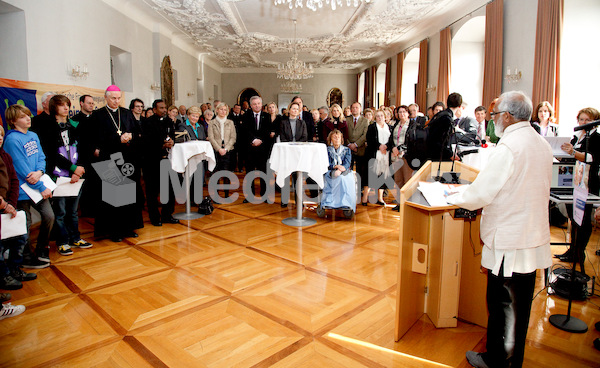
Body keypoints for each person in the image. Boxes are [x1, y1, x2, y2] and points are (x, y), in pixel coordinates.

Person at [446, 91, 553, 368]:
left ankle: (495, 360)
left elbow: (482, 193)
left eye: (495, 115)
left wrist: (451, 196)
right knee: (520, 308)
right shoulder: (540, 142)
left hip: (509, 239)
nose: (493, 121)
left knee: (501, 305)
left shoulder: (509, 146)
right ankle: (513, 360)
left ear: (507, 115)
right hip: (531, 235)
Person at [39, 95, 92, 256]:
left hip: (77, 174)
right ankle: (63, 242)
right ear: (54, 107)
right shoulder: (48, 126)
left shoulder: (74, 125)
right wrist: (72, 168)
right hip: (59, 175)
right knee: (60, 212)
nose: (66, 108)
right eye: (61, 105)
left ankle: (76, 238)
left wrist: (80, 168)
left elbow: (83, 148)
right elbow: (51, 154)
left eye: (67, 105)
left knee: (73, 211)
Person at [90, 85, 143, 242]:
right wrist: (117, 139)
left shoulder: (126, 113)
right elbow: (96, 140)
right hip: (109, 159)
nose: (116, 101)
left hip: (127, 158)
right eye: (113, 98)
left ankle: (128, 228)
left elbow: (137, 131)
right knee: (113, 196)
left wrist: (130, 136)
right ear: (106, 97)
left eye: (119, 98)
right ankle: (114, 231)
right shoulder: (98, 115)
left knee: (128, 194)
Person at [3, 105, 53, 268]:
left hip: (37, 186)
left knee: (49, 216)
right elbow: (21, 167)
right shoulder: (12, 139)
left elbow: (41, 157)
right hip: (23, 190)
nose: (28, 119)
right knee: (26, 223)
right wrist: (40, 185)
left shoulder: (33, 135)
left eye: (28, 115)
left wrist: (40, 171)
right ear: (13, 121)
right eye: (23, 117)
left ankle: (41, 248)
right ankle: (26, 257)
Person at [556, 107, 600, 270]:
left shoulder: (596, 137)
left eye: (587, 120)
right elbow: (571, 154)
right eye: (581, 119)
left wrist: (573, 152)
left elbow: (592, 158)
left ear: (595, 121)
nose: (583, 123)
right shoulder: (577, 136)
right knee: (573, 217)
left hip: (588, 183)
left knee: (583, 219)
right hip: (572, 181)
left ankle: (579, 252)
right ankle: (572, 250)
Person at [0, 125, 37, 288]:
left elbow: (14, 180)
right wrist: (3, 205)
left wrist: (11, 204)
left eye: (1, 135)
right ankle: (4, 276)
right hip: (2, 206)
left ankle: (15, 269)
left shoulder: (5, 156)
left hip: (10, 206)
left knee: (20, 238)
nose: (0, 138)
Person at [142, 99, 179, 227]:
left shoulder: (169, 121)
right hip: (152, 161)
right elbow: (146, 142)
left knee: (169, 189)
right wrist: (161, 145)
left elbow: (172, 136)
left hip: (167, 160)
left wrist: (172, 142)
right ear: (154, 109)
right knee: (152, 191)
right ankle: (154, 217)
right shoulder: (147, 123)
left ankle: (167, 214)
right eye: (161, 108)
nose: (164, 110)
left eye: (165, 108)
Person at [242, 96, 270, 201]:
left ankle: (265, 195)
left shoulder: (267, 116)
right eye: (254, 104)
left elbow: (267, 131)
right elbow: (245, 131)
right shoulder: (245, 116)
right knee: (249, 172)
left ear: (261, 104)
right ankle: (249, 195)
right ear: (251, 105)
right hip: (250, 148)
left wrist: (260, 140)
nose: (257, 105)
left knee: (264, 172)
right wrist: (253, 140)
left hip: (263, 149)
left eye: (258, 103)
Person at [320, 129, 356, 211]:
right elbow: (327, 164)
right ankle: (331, 203)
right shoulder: (327, 150)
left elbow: (347, 163)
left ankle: (346, 203)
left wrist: (340, 170)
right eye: (334, 137)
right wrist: (336, 167)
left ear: (341, 139)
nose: (337, 139)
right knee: (337, 178)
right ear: (331, 140)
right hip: (331, 170)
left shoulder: (347, 150)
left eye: (338, 137)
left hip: (344, 171)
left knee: (343, 178)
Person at [207, 102, 236, 199]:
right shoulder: (212, 122)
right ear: (217, 110)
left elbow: (233, 138)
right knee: (215, 173)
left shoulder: (230, 122)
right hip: (216, 150)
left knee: (226, 173)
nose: (223, 111)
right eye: (221, 109)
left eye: (225, 110)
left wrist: (226, 149)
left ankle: (227, 194)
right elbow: (211, 138)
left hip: (228, 151)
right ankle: (215, 194)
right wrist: (218, 149)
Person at [362, 110, 391, 206]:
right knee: (370, 176)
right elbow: (369, 140)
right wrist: (379, 146)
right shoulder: (372, 127)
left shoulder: (389, 127)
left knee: (382, 176)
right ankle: (365, 199)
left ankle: (380, 198)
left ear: (385, 116)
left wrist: (386, 146)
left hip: (385, 155)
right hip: (373, 154)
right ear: (375, 117)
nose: (380, 117)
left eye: (381, 115)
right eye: (378, 116)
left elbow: (392, 140)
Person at [388, 105, 412, 211]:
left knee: (407, 180)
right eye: (400, 112)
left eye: (404, 112)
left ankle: (407, 203)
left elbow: (411, 140)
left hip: (406, 156)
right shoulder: (395, 125)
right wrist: (393, 148)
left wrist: (400, 148)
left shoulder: (412, 125)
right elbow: (391, 140)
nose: (402, 114)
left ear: (408, 113)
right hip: (396, 157)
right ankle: (399, 202)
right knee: (398, 180)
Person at [427, 92, 462, 162]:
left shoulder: (440, 114)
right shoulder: (446, 118)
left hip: (430, 153)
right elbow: (440, 142)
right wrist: (451, 154)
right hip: (437, 157)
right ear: (459, 106)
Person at [347, 102, 368, 191]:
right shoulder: (346, 120)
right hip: (348, 148)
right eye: (353, 107)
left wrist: (355, 145)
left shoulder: (365, 120)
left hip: (360, 149)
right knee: (348, 170)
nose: (355, 109)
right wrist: (349, 145)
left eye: (357, 107)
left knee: (360, 171)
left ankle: (360, 189)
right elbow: (344, 133)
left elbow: (365, 135)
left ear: (360, 109)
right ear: (351, 110)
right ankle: (348, 188)